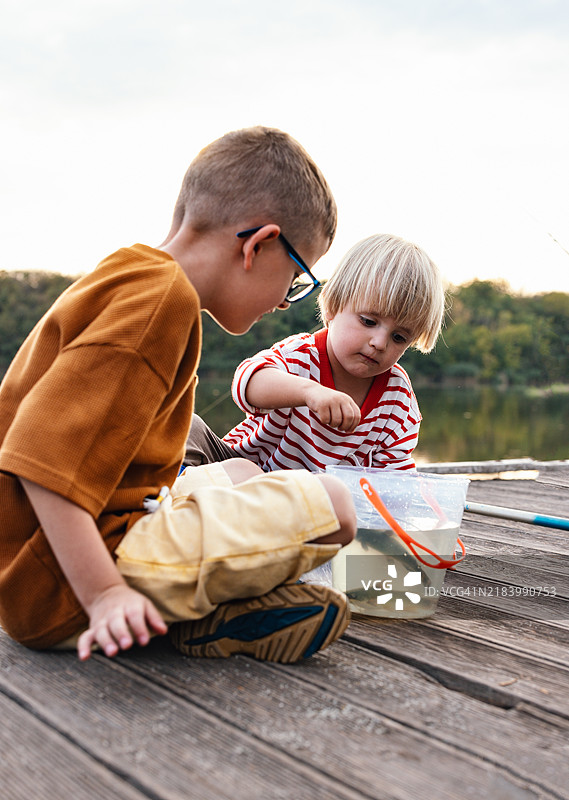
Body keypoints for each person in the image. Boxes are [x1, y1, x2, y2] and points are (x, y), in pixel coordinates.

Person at [0, 126, 357, 664]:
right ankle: (169, 612)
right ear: (259, 245)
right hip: (60, 584)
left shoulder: (136, 274)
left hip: (76, 538)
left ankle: (204, 617)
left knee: (245, 474)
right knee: (333, 507)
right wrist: (103, 595)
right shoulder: (158, 305)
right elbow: (39, 461)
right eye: (296, 277)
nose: (287, 302)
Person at [187, 234, 445, 472]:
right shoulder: (301, 355)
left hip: (313, 503)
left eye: (398, 337)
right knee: (189, 427)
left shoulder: (397, 400)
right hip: (241, 472)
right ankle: (173, 492)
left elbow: (393, 480)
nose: (379, 343)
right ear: (333, 308)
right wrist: (310, 392)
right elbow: (248, 384)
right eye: (368, 321)